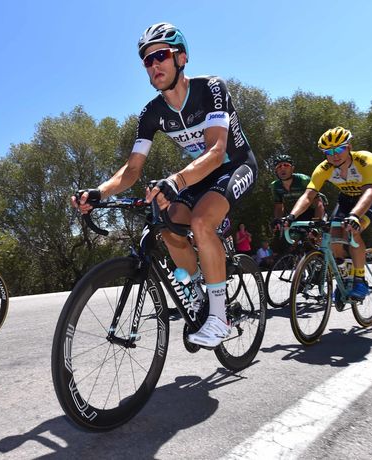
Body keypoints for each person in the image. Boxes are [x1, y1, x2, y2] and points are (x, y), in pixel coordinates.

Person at [74, 23, 258, 347]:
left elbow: (216, 152)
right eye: (147, 60)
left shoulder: (211, 88)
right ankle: (199, 290)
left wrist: (176, 180)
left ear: (181, 57)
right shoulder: (151, 113)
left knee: (201, 222)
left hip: (235, 165)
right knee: (169, 225)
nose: (154, 64)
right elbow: (131, 170)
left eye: (161, 55)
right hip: (199, 175)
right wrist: (100, 192)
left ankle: (219, 319)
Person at [283, 126, 372, 300]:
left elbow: (369, 192)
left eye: (339, 149)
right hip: (346, 199)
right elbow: (308, 195)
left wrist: (354, 216)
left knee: (354, 230)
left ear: (349, 147)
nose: (334, 155)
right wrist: (290, 217)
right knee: (333, 237)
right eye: (328, 152)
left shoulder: (366, 160)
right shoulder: (324, 168)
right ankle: (345, 279)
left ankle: (360, 280)